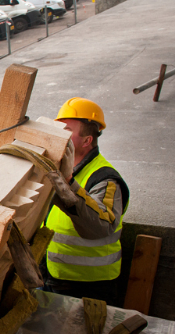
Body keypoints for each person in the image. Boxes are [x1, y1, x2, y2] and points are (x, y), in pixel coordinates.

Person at [42, 97, 130, 304]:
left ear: (87, 140)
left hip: (90, 286)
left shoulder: (105, 179)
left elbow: (100, 227)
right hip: (53, 274)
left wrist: (68, 184)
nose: (59, 136)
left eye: (67, 131)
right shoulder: (57, 167)